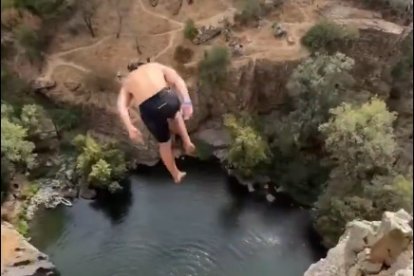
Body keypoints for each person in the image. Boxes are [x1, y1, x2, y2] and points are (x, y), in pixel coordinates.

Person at [117, 61, 195, 183]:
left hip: (149, 109)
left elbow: (122, 107)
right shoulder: (155, 66)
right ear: (143, 64)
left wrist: (130, 127)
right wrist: (187, 102)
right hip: (167, 98)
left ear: (131, 71)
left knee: (164, 144)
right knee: (176, 114)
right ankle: (187, 141)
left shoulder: (127, 81)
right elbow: (178, 80)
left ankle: (176, 174)